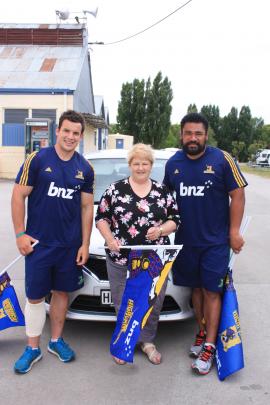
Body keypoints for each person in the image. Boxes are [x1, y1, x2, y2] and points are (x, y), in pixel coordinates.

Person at [163, 112, 248, 375]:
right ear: (181, 134)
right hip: (186, 243)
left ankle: (210, 345)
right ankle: (201, 332)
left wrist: (233, 231)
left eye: (198, 133)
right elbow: (166, 201)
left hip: (215, 243)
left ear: (206, 135)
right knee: (196, 291)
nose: (193, 138)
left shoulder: (222, 159)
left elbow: (238, 194)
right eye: (188, 133)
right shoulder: (173, 163)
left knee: (212, 291)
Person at [11, 110, 94, 374]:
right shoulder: (37, 160)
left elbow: (86, 208)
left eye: (76, 133)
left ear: (81, 137)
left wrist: (84, 243)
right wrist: (19, 234)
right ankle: (32, 347)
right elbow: (17, 196)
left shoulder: (85, 168)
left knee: (61, 293)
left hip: (69, 247)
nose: (70, 137)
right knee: (35, 296)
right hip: (39, 245)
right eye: (66, 131)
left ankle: (56, 341)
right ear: (57, 131)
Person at [95, 143, 180, 365]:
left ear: (151, 165)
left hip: (154, 258)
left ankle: (148, 341)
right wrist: (109, 239)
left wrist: (161, 230)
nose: (140, 167)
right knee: (123, 300)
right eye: (136, 163)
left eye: (145, 163)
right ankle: (125, 342)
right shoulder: (115, 190)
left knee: (154, 299)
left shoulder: (162, 191)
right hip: (121, 257)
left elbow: (175, 220)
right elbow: (101, 218)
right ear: (130, 165)